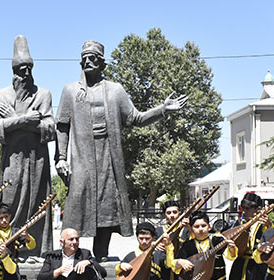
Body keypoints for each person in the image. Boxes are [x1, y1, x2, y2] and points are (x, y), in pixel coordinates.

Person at [55, 40, 188, 261]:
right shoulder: (70, 91)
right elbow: (62, 125)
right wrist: (61, 157)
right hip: (81, 156)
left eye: (93, 58)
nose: (87, 61)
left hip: (109, 155)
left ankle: (101, 255)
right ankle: (70, 255)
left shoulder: (115, 90)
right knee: (76, 203)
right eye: (84, 58)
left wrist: (162, 110)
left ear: (102, 63)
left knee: (107, 204)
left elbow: (136, 118)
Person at [0, 34, 55, 258]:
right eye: (20, 69)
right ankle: (7, 250)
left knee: (37, 204)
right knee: (9, 201)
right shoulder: (1, 96)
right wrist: (23, 120)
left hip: (38, 161)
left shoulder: (43, 94)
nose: (25, 73)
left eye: (29, 68)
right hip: (12, 160)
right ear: (13, 70)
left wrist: (15, 121)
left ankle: (37, 251)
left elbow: (50, 128)